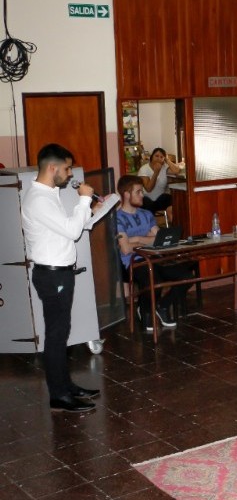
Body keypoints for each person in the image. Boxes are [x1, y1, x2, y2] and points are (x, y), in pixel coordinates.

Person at [21, 144, 101, 412]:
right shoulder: (39, 199)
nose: (69, 174)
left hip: (59, 274)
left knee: (61, 333)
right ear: (52, 168)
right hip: (52, 275)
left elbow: (67, 228)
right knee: (56, 336)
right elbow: (71, 231)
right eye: (66, 168)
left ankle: (66, 386)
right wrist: (83, 200)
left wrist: (89, 209)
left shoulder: (49, 194)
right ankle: (59, 395)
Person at [115, 175, 194, 330]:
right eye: (138, 192)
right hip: (135, 261)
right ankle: (144, 310)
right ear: (126, 194)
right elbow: (126, 248)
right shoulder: (117, 219)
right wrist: (147, 239)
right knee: (154, 281)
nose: (142, 195)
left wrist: (136, 239)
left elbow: (160, 239)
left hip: (155, 257)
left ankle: (162, 306)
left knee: (186, 277)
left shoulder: (146, 214)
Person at [136, 147, 181, 214]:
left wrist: (167, 160)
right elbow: (148, 189)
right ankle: (151, 222)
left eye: (161, 157)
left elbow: (176, 171)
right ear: (152, 157)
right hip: (146, 200)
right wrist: (156, 173)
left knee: (168, 197)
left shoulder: (164, 167)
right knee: (147, 202)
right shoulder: (144, 169)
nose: (158, 159)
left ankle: (174, 222)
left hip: (159, 200)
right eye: (156, 156)